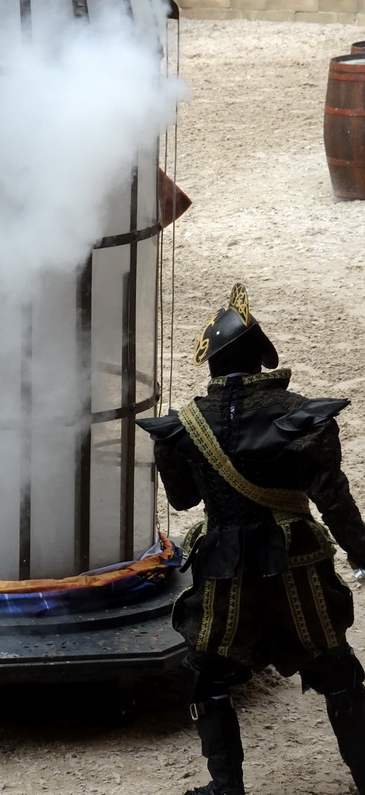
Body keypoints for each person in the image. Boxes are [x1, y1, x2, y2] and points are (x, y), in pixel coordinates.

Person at [137, 283, 365, 795]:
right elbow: (335, 502)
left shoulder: (185, 426)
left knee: (206, 675)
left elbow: (182, 501)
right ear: (260, 358)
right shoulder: (302, 414)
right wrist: (363, 552)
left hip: (225, 572)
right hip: (297, 565)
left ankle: (226, 787)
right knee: (337, 670)